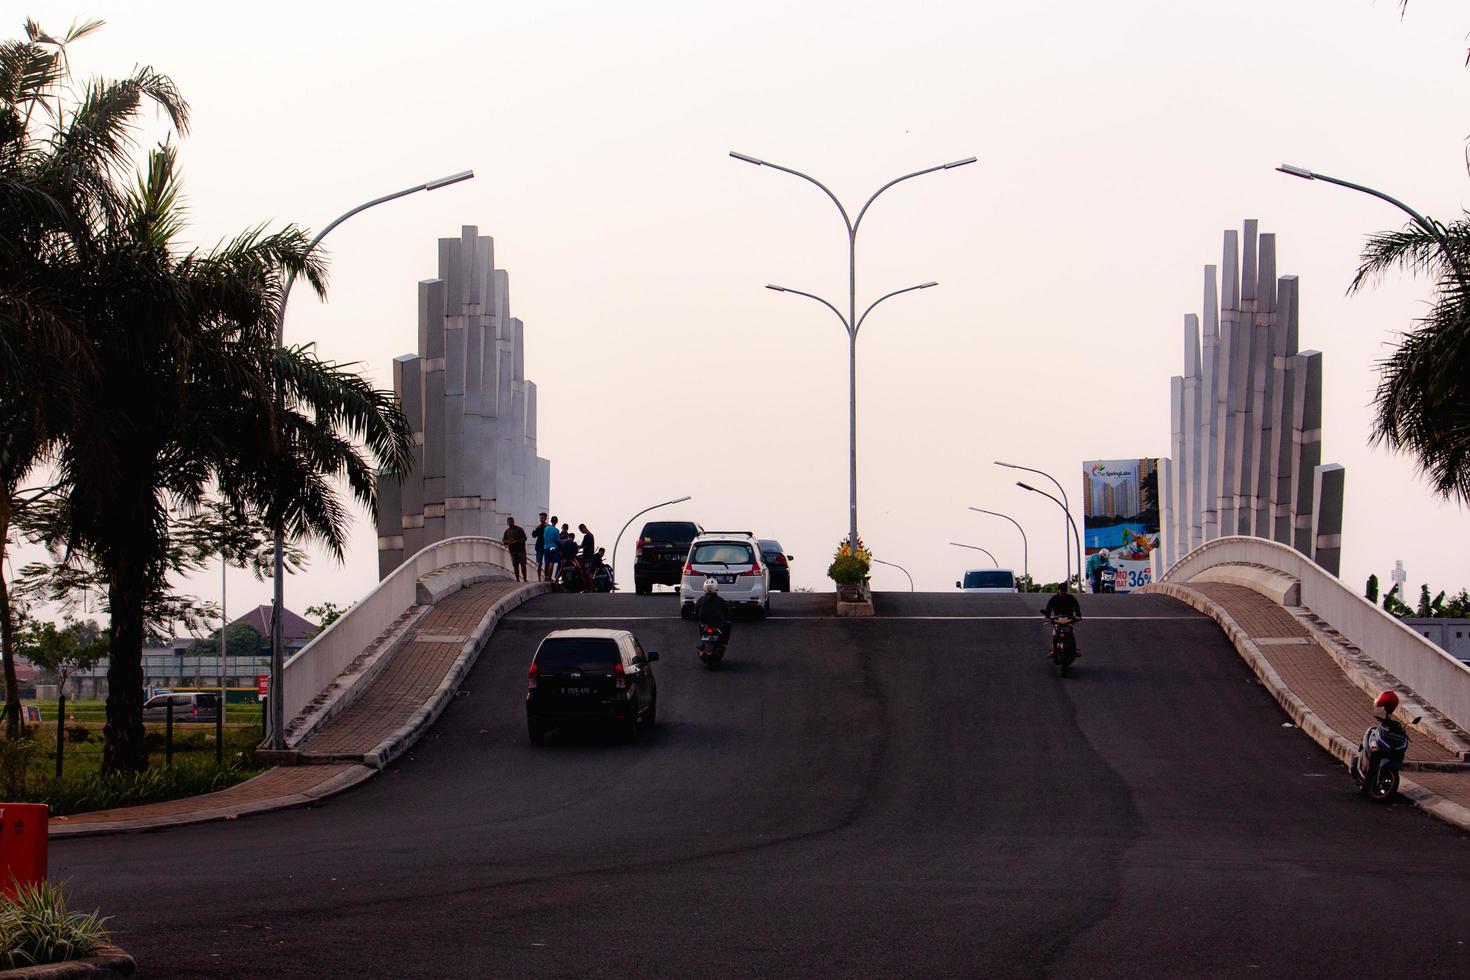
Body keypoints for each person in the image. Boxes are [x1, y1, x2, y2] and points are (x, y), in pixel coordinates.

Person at [1043, 581, 1082, 658]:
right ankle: (1054, 651)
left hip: (1069, 618)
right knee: (1055, 633)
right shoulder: (1054, 598)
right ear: (1058, 590)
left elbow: (1076, 607)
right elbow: (1049, 608)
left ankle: (1074, 650)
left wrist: (1078, 616)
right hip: (1057, 618)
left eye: (1064, 591)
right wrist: (1047, 617)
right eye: (1061, 591)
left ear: (1066, 591)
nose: (1063, 593)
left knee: (1071, 632)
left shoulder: (1070, 598)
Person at [694, 579, 733, 649]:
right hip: (717, 623)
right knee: (728, 624)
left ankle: (703, 643)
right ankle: (724, 643)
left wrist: (696, 615)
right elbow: (726, 609)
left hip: (705, 622)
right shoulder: (719, 599)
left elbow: (696, 609)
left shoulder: (701, 599)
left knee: (701, 626)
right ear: (716, 588)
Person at [502, 516, 528, 582]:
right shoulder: (507, 531)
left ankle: (525, 579)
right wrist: (509, 542)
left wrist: (517, 541)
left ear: (514, 522)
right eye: (509, 522)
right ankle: (517, 579)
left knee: (523, 564)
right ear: (507, 523)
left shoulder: (519, 529)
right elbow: (504, 540)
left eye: (512, 522)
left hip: (521, 550)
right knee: (515, 565)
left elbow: (524, 538)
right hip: (512, 551)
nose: (511, 523)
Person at [541, 515, 562, 580]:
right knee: (551, 562)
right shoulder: (556, 530)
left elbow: (544, 537)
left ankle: (545, 577)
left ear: (551, 521)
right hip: (553, 547)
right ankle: (549, 577)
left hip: (546, 547)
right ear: (556, 522)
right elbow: (558, 540)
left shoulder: (546, 528)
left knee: (546, 562)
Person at [533, 513, 550, 582]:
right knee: (539, 563)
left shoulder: (548, 527)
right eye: (540, 518)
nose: (541, 519)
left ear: (545, 518)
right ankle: (539, 578)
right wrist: (536, 529)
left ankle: (546, 577)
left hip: (546, 546)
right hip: (539, 546)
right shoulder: (539, 527)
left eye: (542, 517)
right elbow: (534, 535)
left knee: (547, 563)